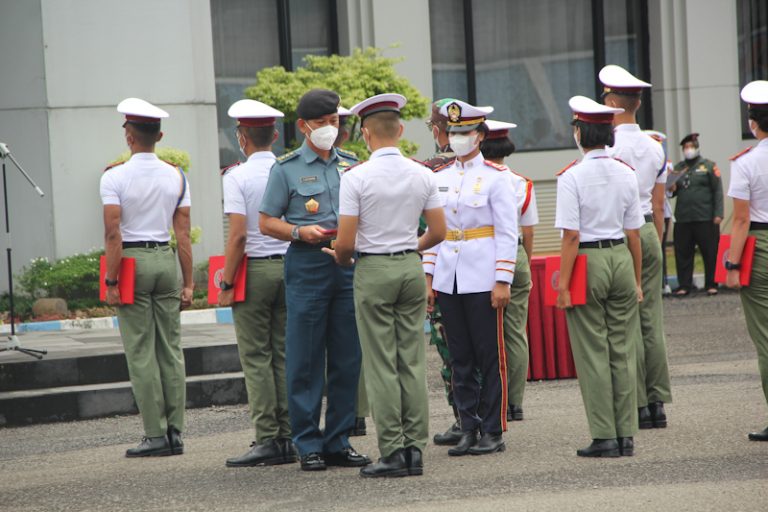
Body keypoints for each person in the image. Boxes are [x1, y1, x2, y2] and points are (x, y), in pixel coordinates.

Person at [325, 93, 447, 477]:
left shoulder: (355, 177)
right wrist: (413, 246)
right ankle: (415, 450)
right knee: (411, 360)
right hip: (410, 267)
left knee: (381, 364)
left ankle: (393, 450)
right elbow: (439, 231)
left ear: (365, 134)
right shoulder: (423, 173)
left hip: (373, 270)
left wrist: (343, 258)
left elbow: (344, 242)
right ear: (401, 130)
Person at [259, 89, 370, 472]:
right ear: (304, 126)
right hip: (307, 265)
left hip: (347, 264)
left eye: (335, 122)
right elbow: (266, 221)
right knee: (305, 357)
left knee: (347, 355)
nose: (329, 129)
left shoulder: (353, 164)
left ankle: (338, 440)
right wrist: (295, 233)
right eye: (321, 123)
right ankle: (307, 443)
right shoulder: (285, 168)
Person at [423, 100, 518, 456]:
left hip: (483, 277)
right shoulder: (439, 178)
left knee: (489, 357)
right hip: (450, 278)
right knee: (459, 358)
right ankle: (468, 427)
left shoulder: (497, 178)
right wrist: (429, 277)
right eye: (453, 132)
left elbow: (508, 234)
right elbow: (436, 233)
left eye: (465, 132)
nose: (458, 138)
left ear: (479, 135)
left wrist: (503, 279)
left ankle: (492, 430)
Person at [100, 97, 193, 457]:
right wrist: (188, 282)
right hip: (166, 261)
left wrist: (111, 281)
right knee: (170, 349)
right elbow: (183, 234)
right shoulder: (176, 174)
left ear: (129, 136)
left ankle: (154, 434)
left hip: (132, 262)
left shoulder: (114, 176)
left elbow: (113, 234)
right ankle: (176, 433)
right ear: (160, 135)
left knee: (140, 350)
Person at [555, 95, 643, 458]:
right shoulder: (626, 172)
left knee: (592, 350)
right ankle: (626, 435)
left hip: (587, 261)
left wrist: (562, 285)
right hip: (620, 257)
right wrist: (637, 280)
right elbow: (635, 232)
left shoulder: (571, 176)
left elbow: (571, 236)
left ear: (579, 133)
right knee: (622, 349)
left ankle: (605, 434)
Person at [218, 99, 296, 467]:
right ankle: (289, 434)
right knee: (283, 353)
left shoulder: (237, 176)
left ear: (242, 137)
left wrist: (227, 280)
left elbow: (237, 237)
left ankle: (268, 437)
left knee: (256, 357)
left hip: (254, 270)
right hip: (290, 267)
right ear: (275, 135)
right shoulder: (288, 170)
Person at [600, 65, 672, 430]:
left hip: (621, 233)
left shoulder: (611, 145)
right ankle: (657, 401)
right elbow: (659, 205)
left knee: (626, 321)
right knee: (651, 321)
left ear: (612, 101)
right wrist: (655, 243)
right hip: (647, 230)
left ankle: (640, 404)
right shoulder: (654, 146)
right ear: (638, 102)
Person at [480, 119, 538, 422]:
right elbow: (528, 232)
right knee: (516, 333)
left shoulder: (480, 179)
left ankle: (494, 398)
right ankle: (515, 402)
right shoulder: (522, 182)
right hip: (516, 255)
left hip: (486, 255)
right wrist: (523, 261)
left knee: (486, 333)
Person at [725, 80, 768, 442]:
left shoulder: (747, 163)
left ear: (753, 122)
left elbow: (740, 220)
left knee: (766, 336)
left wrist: (732, 264)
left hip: (761, 243)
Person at [421, 98, 464, 446]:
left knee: (451, 349)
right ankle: (482, 418)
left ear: (437, 131)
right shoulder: (486, 166)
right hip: (479, 273)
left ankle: (464, 418)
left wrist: (427, 279)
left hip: (443, 270)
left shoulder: (428, 172)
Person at [334, 105, 368, 438]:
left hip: (351, 257)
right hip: (325, 257)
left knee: (352, 340)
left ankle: (357, 413)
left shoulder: (355, 167)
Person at [671, 133, 724, 296]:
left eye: (690, 147)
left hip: (705, 217)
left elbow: (717, 191)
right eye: (685, 148)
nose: (688, 150)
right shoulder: (678, 168)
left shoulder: (708, 166)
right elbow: (671, 192)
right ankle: (685, 285)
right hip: (684, 217)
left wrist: (718, 213)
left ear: (697, 147)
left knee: (709, 252)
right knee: (683, 252)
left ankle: (711, 283)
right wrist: (671, 189)